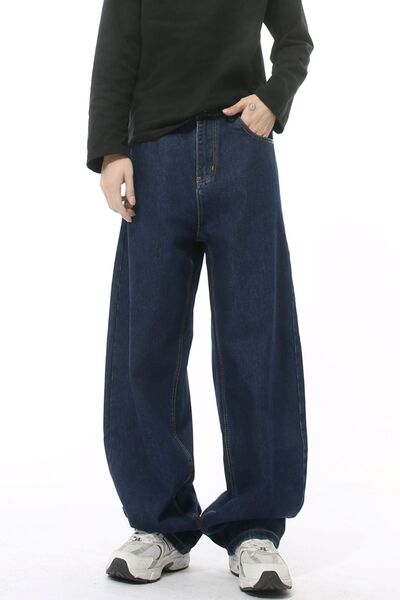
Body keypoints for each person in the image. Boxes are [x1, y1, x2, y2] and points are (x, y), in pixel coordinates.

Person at [86, 0, 313, 593]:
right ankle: (160, 526)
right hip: (153, 158)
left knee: (255, 342)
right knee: (147, 345)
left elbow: (295, 40)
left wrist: (275, 97)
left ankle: (255, 528)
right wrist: (111, 150)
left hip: (242, 151)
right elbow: (115, 53)